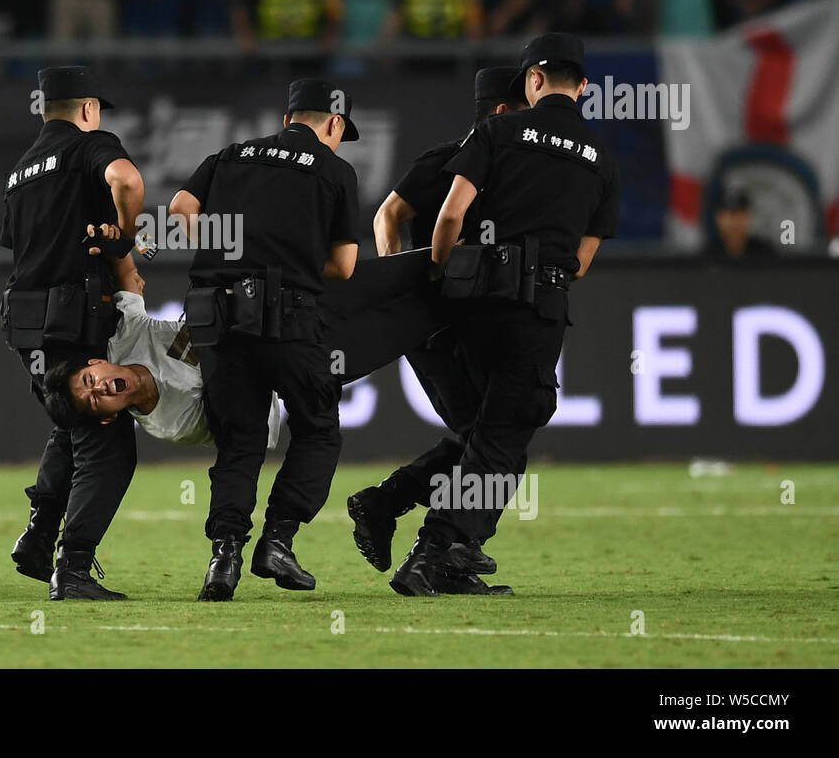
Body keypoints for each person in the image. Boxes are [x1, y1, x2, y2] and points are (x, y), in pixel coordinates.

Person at [390, 33, 620, 597]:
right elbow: (584, 261)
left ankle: (442, 554)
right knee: (501, 439)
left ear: (533, 80)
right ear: (583, 88)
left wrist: (442, 275)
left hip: (473, 305)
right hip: (537, 309)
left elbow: (449, 217)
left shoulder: (497, 131)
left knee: (489, 437)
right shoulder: (600, 157)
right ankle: (434, 551)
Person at [169, 79, 359, 601]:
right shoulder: (335, 170)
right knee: (317, 429)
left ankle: (223, 557)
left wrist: (225, 252)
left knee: (239, 441)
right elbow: (343, 265)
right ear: (334, 124)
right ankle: (277, 540)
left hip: (220, 320)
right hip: (290, 319)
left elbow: (181, 207)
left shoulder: (230, 154)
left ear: (287, 118)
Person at [346, 66, 526, 595]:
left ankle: (389, 506)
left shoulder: (505, 164)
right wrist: (402, 283)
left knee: (487, 439)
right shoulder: (451, 159)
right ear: (501, 112)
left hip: (471, 319)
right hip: (435, 322)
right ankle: (427, 541)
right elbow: (388, 215)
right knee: (493, 442)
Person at [0, 66, 145, 600]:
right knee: (106, 445)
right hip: (70, 318)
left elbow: (20, 246)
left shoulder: (20, 170)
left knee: (71, 427)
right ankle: (74, 570)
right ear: (88, 109)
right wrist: (125, 240)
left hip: (25, 321)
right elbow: (127, 180)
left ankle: (38, 541)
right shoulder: (90, 146)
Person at [38, 232, 282, 451]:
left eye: (90, 379)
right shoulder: (170, 423)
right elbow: (238, 413)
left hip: (263, 327)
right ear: (108, 417)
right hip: (265, 393)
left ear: (97, 362)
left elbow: (126, 273)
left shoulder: (126, 339)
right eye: (93, 400)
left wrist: (115, 235)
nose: (100, 388)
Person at [709, 188, 776, 261]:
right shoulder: (708, 258)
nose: (735, 222)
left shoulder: (766, 254)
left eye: (740, 215)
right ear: (718, 218)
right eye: (730, 216)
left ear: (749, 217)